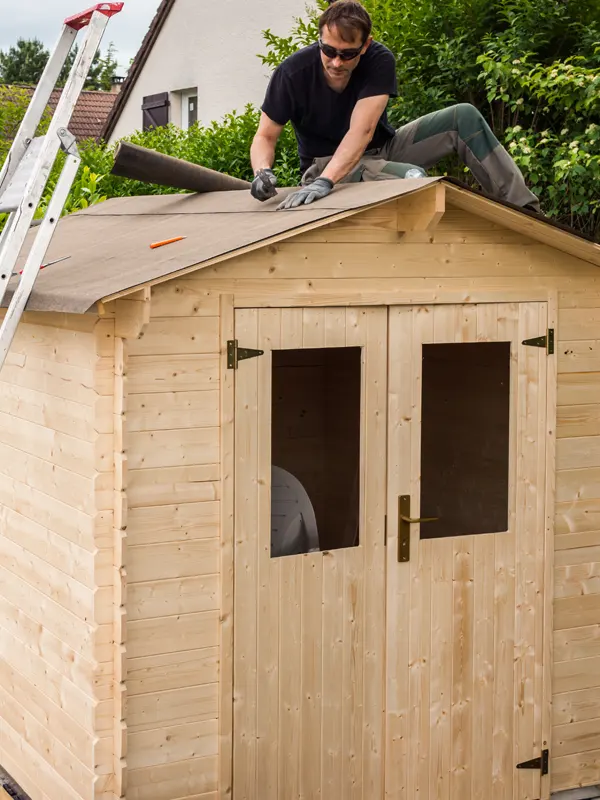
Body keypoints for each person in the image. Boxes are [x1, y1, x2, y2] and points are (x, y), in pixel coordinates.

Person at [250, 0, 540, 212]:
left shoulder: (379, 59)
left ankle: (526, 211)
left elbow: (361, 132)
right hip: (323, 165)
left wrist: (328, 182)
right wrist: (262, 172)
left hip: (380, 149)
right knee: (412, 178)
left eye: (347, 54)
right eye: (329, 51)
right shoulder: (292, 73)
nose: (336, 62)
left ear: (365, 45)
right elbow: (265, 135)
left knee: (462, 117)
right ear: (319, 40)